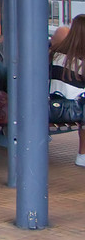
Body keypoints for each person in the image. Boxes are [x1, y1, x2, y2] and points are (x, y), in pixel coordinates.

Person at [48, 17, 85, 167]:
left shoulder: (54, 53)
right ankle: (82, 154)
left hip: (53, 107)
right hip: (73, 110)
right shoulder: (81, 60)